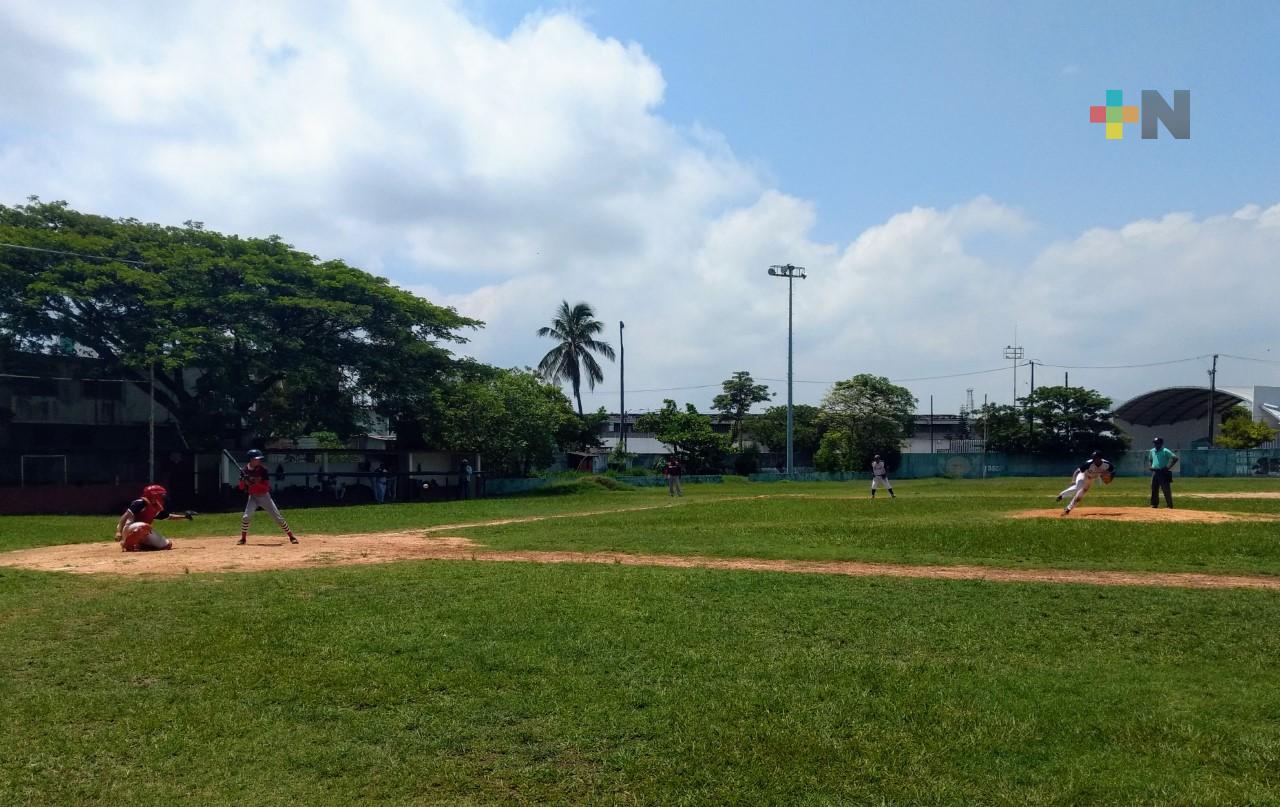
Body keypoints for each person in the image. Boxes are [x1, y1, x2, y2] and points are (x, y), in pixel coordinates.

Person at [237, 449, 299, 545]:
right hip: (253, 497)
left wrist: (254, 482)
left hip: (264, 496)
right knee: (246, 517)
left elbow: (266, 487)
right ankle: (243, 539)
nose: (259, 461)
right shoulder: (244, 471)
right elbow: (241, 488)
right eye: (256, 459)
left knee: (278, 518)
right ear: (251, 459)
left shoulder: (263, 470)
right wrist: (243, 480)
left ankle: (291, 536)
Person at [114, 483, 193, 551]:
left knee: (167, 545)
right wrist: (118, 531)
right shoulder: (140, 503)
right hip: (128, 529)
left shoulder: (154, 507)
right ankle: (127, 544)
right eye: (161, 495)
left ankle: (140, 545)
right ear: (154, 495)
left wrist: (185, 516)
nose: (163, 497)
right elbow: (125, 516)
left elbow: (168, 516)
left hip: (144, 531)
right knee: (144, 526)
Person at [1056, 450, 1116, 517]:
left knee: (1080, 496)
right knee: (1078, 488)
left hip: (1091, 479)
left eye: (1096, 458)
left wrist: (1110, 479)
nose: (1094, 459)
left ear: (1100, 458)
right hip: (1083, 475)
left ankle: (1068, 509)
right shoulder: (1088, 464)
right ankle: (1062, 495)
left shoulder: (1107, 464)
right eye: (1093, 458)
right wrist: (1073, 480)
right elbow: (1077, 471)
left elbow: (1113, 471)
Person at [1147, 436, 1180, 508]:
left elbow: (1175, 458)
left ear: (1161, 444)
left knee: (1166, 489)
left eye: (1157, 443)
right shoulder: (1152, 451)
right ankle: (1154, 504)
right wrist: (1150, 466)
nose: (1155, 445)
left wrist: (1168, 467)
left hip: (1162, 472)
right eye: (1155, 443)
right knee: (1154, 488)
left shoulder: (1165, 450)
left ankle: (1169, 505)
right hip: (1155, 472)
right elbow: (1150, 459)